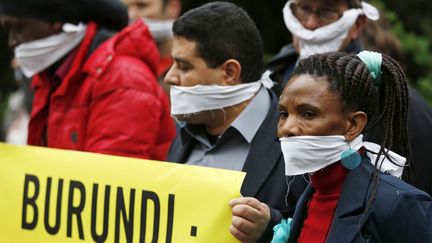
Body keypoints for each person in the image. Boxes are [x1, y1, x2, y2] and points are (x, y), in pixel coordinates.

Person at [164, 2, 307, 242]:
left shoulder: (300, 140)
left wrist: (268, 229)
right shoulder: (184, 133)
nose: (169, 76)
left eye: (184, 66)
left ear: (230, 73)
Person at [267, 0, 432, 195]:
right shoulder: (273, 76)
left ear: (357, 24)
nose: (310, 23)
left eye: (326, 12)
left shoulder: (392, 101)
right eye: (303, 9)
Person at [271, 51, 432, 242]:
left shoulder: (397, 203)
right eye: (283, 114)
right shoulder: (311, 195)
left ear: (353, 125)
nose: (287, 128)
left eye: (308, 114)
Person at [0, 0, 175, 160]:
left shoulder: (122, 79)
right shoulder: (51, 77)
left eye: (19, 27)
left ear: (56, 22)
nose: (12, 41)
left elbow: (108, 182)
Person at [123, 0, 181, 92]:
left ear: (173, 7)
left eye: (142, 6)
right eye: (126, 8)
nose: (132, 14)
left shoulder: (196, 62)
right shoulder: (118, 61)